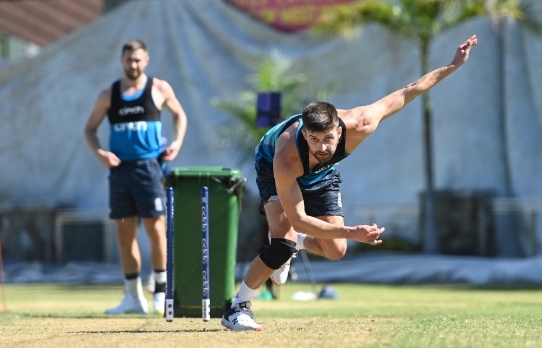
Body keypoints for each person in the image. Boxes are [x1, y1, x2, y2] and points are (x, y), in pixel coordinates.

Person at [221, 34, 478, 331]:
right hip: (270, 167)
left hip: (323, 176)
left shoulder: (362, 122)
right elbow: (300, 218)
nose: (322, 148)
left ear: (339, 132)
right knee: (282, 242)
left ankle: (297, 245)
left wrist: (452, 66)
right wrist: (351, 231)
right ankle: (237, 307)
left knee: (336, 251)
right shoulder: (285, 158)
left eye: (328, 139)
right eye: (314, 139)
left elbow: (409, 91)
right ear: (304, 133)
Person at [84, 39, 187, 315]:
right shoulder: (109, 94)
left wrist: (177, 142)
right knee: (124, 233)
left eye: (138, 60)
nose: (134, 65)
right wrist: (101, 154)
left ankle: (162, 293)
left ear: (147, 60)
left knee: (156, 230)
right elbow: (89, 130)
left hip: (149, 168)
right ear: (122, 60)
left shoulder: (159, 88)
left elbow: (180, 115)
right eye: (129, 60)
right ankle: (133, 298)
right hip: (120, 171)